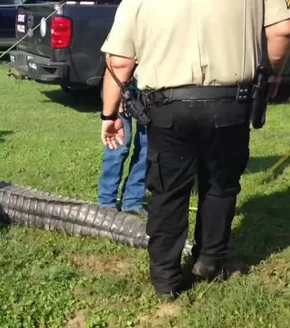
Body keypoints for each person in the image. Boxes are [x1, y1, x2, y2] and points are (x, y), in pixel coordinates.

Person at [99, 0, 290, 301]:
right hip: (231, 104)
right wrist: (274, 75)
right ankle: (209, 261)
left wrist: (109, 115)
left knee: (168, 191)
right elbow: (281, 31)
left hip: (168, 108)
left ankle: (165, 278)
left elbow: (120, 62)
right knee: (221, 185)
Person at [97, 74, 148, 218]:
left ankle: (133, 201)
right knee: (118, 146)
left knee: (146, 149)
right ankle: (106, 203)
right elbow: (115, 62)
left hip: (151, 90)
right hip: (123, 86)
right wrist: (117, 98)